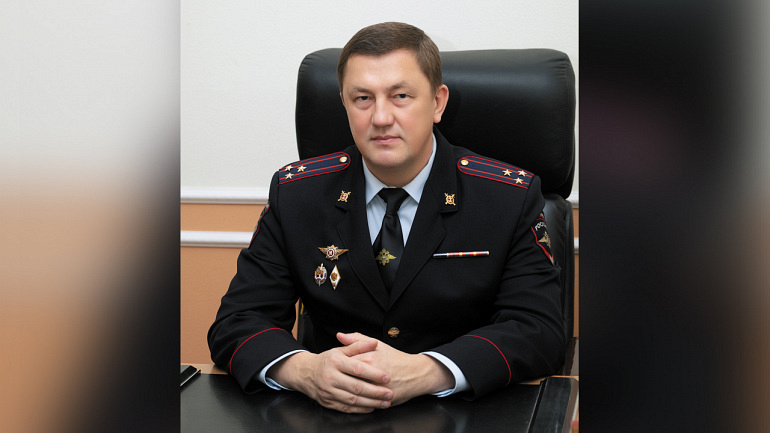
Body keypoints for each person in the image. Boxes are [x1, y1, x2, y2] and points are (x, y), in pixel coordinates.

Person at [208, 21, 566, 414]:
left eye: (400, 96)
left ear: (437, 103)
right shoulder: (297, 194)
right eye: (362, 98)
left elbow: (539, 330)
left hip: (465, 413)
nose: (380, 117)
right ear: (344, 105)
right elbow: (237, 321)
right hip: (331, 413)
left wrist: (427, 371)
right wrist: (306, 371)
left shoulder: (507, 197)